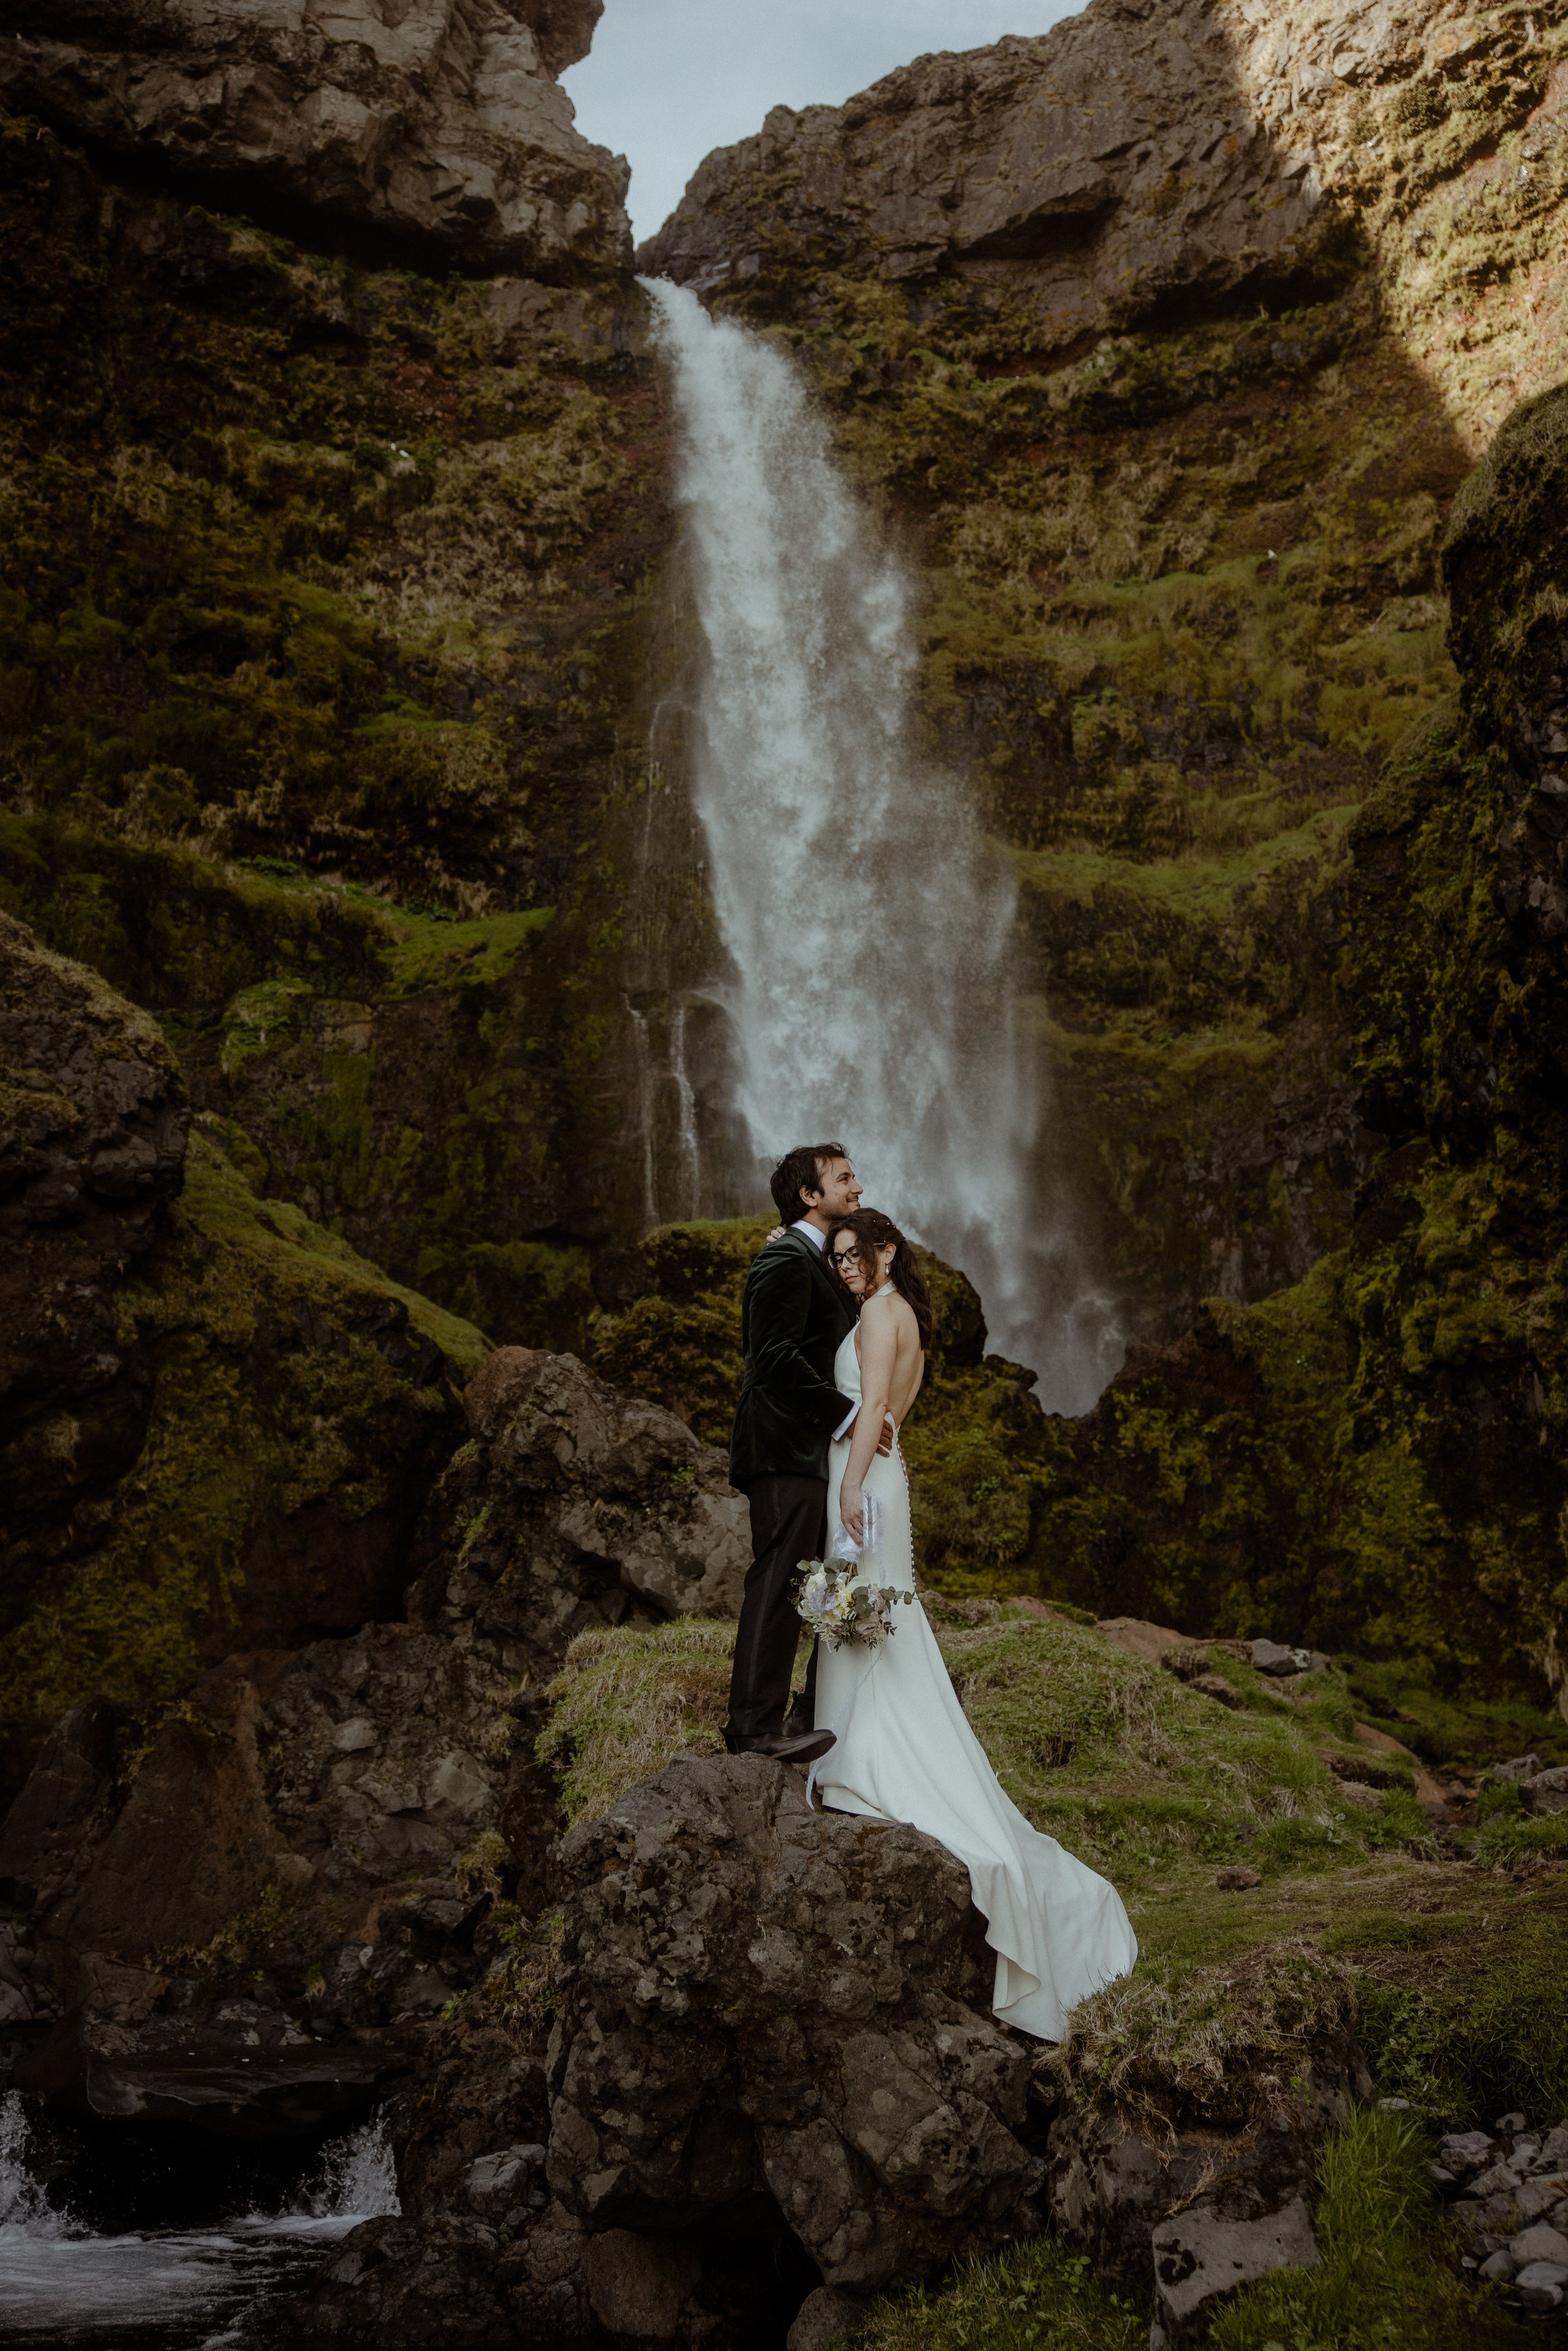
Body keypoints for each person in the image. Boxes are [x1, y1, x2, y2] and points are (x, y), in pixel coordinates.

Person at [813, 1206, 1137, 2040]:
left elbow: (874, 1406)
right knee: (877, 1617)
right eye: (836, 1255)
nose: (845, 1264)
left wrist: (847, 1489)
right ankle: (862, 1744)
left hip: (863, 1478)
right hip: (881, 1473)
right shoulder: (903, 1316)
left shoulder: (881, 1316)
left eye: (855, 1252)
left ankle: (866, 1757)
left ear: (887, 1251)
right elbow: (893, 1412)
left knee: (867, 1615)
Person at [724, 1143, 888, 1762]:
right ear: (809, 1196)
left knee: (814, 1583)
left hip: (810, 1453)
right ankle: (752, 1731)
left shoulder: (812, 1259)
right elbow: (774, 1357)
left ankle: (800, 1714)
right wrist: (847, 1415)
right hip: (784, 1449)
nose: (857, 1187)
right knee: (779, 1583)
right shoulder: (784, 1258)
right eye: (844, 1179)